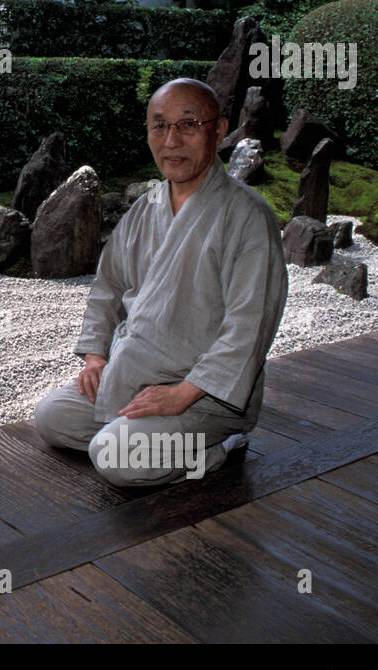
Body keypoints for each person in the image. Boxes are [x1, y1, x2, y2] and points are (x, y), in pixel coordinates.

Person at [32, 77, 288, 487]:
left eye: (188, 125)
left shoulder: (247, 215)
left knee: (113, 457)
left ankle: (219, 446)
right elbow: (107, 288)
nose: (172, 140)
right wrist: (96, 357)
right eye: (159, 126)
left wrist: (183, 393)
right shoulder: (143, 210)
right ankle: (138, 435)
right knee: (51, 419)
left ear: (219, 130)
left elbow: (250, 325)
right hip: (132, 374)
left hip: (206, 393)